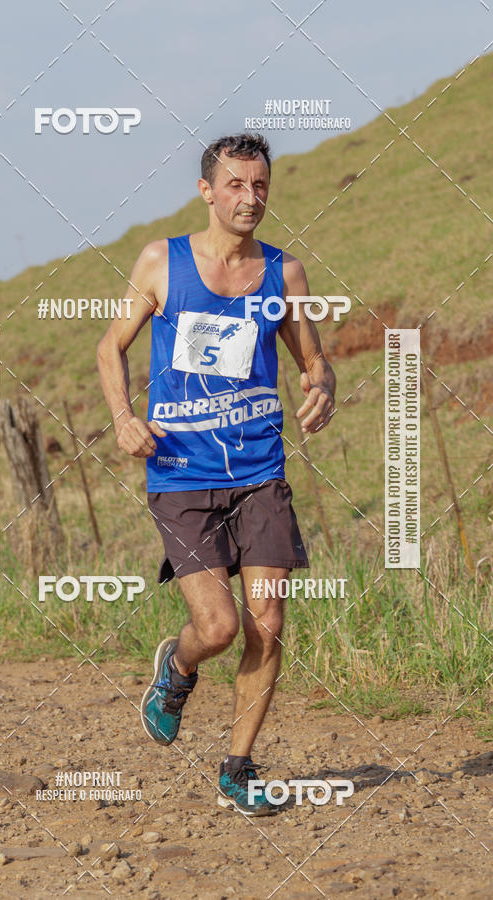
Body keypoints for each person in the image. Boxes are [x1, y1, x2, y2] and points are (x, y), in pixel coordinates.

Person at [97, 133, 335, 816]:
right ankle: (178, 667)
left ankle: (238, 767)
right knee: (220, 626)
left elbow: (313, 358)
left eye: (260, 185)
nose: (249, 197)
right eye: (235, 185)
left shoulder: (285, 273)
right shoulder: (162, 262)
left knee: (268, 619)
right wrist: (123, 418)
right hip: (181, 473)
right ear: (206, 191)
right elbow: (110, 347)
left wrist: (323, 385)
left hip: (260, 470)